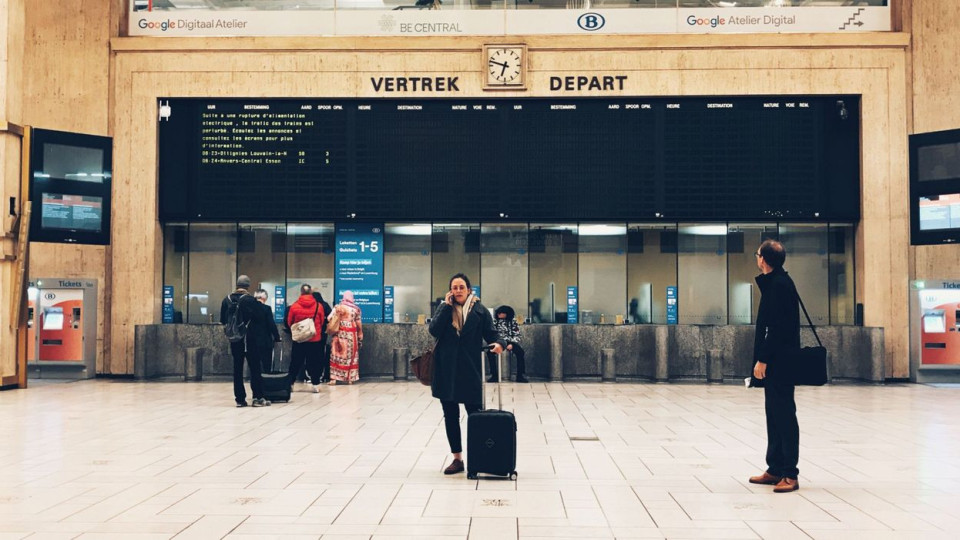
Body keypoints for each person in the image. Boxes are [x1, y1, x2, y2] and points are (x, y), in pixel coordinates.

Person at [429, 273, 504, 475]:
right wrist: (445, 307)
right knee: (451, 416)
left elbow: (492, 333)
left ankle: (480, 456)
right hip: (447, 370)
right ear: (450, 291)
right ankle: (457, 459)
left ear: (469, 289)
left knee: (475, 416)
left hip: (470, 370)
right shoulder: (444, 309)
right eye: (455, 287)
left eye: (462, 287)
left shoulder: (480, 311)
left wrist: (500, 343)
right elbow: (434, 330)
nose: (458, 291)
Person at [749, 239, 802, 493]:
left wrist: (763, 359)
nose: (757, 258)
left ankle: (790, 473)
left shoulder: (780, 285)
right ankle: (775, 468)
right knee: (774, 413)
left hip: (780, 361)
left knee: (784, 415)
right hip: (777, 360)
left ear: (763, 260)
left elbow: (778, 328)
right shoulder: (775, 283)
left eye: (758, 254)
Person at [219, 275, 270, 408]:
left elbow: (223, 320)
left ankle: (240, 399)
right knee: (255, 368)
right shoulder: (250, 300)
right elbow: (260, 318)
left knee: (237, 368)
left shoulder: (227, 299)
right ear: (248, 285)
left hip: (235, 339)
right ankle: (257, 397)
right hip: (250, 339)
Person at [286, 284, 325, 393]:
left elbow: (290, 322)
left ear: (301, 292)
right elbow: (321, 322)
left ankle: (290, 383)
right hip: (314, 339)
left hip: (299, 339)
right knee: (314, 362)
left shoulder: (294, 306)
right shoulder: (318, 306)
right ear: (311, 293)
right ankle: (315, 384)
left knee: (295, 362)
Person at [328, 291, 363, 385]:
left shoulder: (338, 307)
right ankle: (350, 378)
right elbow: (359, 324)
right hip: (351, 335)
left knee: (336, 355)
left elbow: (329, 318)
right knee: (351, 355)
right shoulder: (356, 309)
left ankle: (334, 379)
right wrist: (360, 334)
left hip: (339, 334)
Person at [487, 305, 528, 383]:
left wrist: (512, 343)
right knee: (490, 353)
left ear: (507, 314)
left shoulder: (513, 322)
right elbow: (491, 334)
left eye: (501, 313)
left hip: (510, 341)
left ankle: (520, 375)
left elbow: (517, 334)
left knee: (520, 352)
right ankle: (494, 375)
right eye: (498, 313)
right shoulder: (494, 322)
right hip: (498, 341)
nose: (499, 314)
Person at [253, 289, 280, 373]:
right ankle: (266, 377)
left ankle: (255, 378)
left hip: (252, 339)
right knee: (266, 361)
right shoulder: (266, 308)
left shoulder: (250, 308)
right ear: (264, 298)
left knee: (254, 361)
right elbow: (271, 324)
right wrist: (277, 337)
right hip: (265, 340)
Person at [312, 291, 333, 382]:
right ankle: (322, 374)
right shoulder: (325, 305)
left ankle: (310, 374)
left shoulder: (312, 305)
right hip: (322, 333)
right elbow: (330, 318)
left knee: (311, 355)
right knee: (321, 353)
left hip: (310, 334)